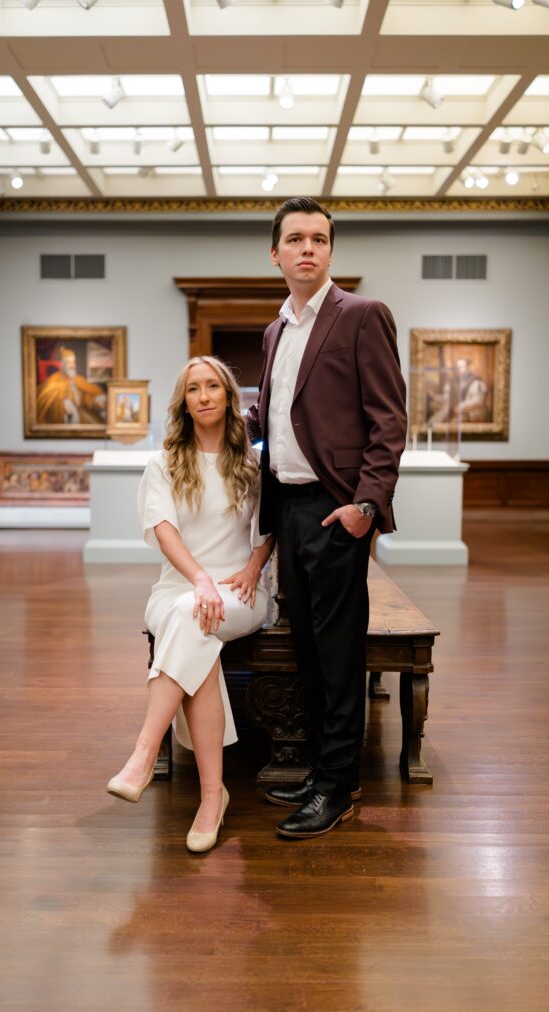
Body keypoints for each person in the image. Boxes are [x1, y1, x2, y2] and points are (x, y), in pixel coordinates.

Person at [247, 196, 407, 840]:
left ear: (330, 251)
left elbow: (389, 422)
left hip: (336, 509)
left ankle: (338, 787)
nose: (307, 248)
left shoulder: (363, 316)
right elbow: (273, 415)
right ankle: (322, 769)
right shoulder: (275, 330)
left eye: (319, 238)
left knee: (339, 654)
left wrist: (365, 506)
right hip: (285, 508)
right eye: (295, 239)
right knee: (308, 651)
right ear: (276, 253)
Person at [107, 356, 275, 853]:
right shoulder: (162, 463)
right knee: (190, 619)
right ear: (184, 401)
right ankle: (209, 798)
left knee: (194, 621)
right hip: (176, 588)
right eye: (193, 389)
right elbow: (164, 529)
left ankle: (142, 757)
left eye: (212, 387)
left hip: (241, 591)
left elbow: (268, 530)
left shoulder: (253, 463)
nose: (203, 396)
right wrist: (198, 580)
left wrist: (250, 569)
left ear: (228, 395)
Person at [36, 347, 106, 424]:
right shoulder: (53, 381)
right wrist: (64, 406)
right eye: (69, 362)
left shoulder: (78, 379)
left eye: (73, 362)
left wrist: (96, 402)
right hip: (68, 419)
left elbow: (87, 396)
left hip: (83, 413)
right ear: (63, 364)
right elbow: (48, 405)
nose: (72, 365)